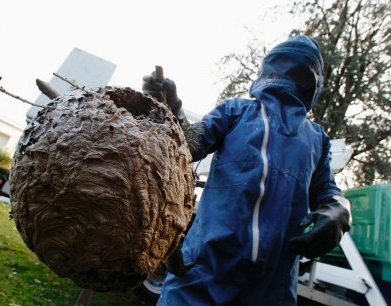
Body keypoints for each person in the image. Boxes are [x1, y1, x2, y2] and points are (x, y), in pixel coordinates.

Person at [142, 35, 352, 306]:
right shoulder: (236, 112)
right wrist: (169, 108)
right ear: (316, 83)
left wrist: (339, 209)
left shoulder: (317, 139)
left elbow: (327, 191)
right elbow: (186, 147)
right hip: (202, 276)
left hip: (271, 291)